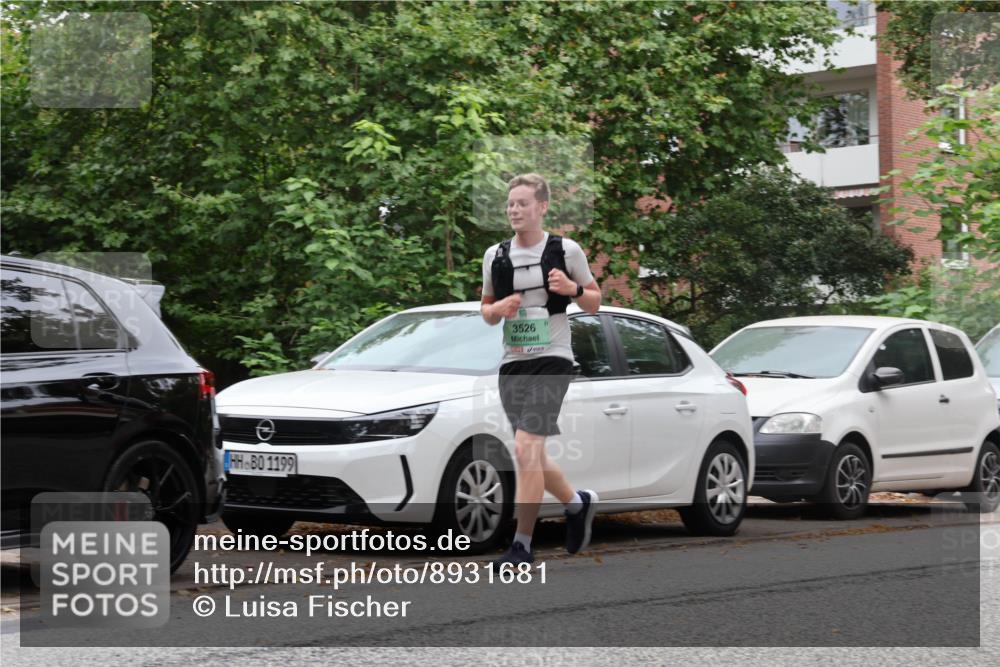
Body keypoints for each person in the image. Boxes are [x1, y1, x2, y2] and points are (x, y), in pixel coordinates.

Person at [480, 172, 602, 567]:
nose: (514, 210)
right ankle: (577, 504)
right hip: (513, 364)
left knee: (524, 448)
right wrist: (498, 309)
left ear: (542, 206)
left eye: (523, 203)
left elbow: (595, 301)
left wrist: (573, 289)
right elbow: (486, 311)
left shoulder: (566, 250)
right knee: (531, 452)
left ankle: (522, 545)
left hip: (553, 359)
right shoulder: (495, 255)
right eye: (510, 204)